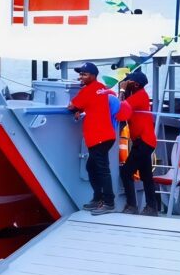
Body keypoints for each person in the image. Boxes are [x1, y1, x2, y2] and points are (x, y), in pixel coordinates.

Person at [68, 62, 116, 214]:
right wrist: (82, 108)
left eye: (84, 74)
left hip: (98, 137)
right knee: (92, 167)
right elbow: (92, 104)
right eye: (80, 74)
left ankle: (109, 203)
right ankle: (98, 198)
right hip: (106, 135)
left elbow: (71, 106)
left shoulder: (88, 91)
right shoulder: (101, 87)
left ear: (93, 76)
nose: (81, 77)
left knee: (102, 170)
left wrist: (77, 108)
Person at [115, 71, 162, 216]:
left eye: (127, 82)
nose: (124, 84)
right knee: (146, 175)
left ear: (135, 84)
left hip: (143, 141)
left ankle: (132, 206)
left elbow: (120, 111)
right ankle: (151, 208)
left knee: (126, 172)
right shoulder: (138, 96)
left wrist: (122, 90)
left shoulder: (139, 96)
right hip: (144, 141)